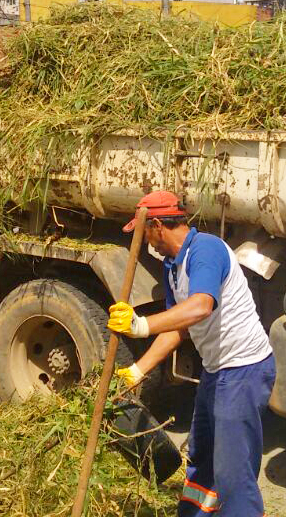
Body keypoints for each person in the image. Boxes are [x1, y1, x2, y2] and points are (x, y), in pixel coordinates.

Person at [108, 190, 275, 517]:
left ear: (157, 225)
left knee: (233, 474)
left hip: (243, 371)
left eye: (144, 235)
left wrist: (141, 325)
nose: (145, 243)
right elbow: (178, 326)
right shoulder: (173, 266)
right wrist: (138, 370)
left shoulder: (205, 251)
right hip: (216, 371)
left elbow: (200, 306)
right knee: (202, 460)